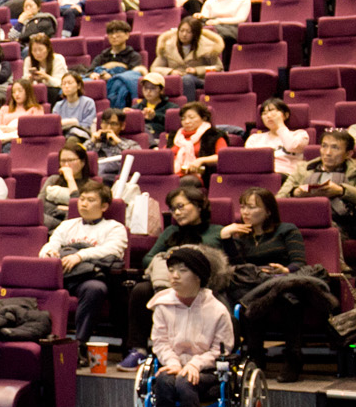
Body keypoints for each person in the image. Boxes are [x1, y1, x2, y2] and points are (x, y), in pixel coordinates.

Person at [142, 246, 237, 407]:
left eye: (182, 271)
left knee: (184, 381)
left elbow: (221, 349)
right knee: (164, 379)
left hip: (207, 371)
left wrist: (195, 364)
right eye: (172, 270)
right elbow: (160, 342)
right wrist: (173, 362)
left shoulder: (217, 310)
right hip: (174, 366)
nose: (174, 276)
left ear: (198, 276)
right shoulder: (162, 305)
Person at [118, 187, 222, 368]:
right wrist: (170, 257)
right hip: (169, 282)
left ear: (199, 205)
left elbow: (224, 265)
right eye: (173, 209)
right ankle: (139, 350)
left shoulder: (216, 232)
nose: (177, 213)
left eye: (181, 206)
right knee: (141, 290)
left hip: (202, 284)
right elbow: (148, 259)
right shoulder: (170, 232)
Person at [221, 187, 309, 380]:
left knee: (288, 298)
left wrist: (286, 270)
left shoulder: (286, 230)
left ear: (268, 211)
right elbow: (238, 268)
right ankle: (255, 355)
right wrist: (226, 237)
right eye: (243, 207)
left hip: (281, 282)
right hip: (253, 284)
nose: (245, 212)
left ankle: (293, 357)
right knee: (248, 296)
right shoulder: (240, 235)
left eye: (252, 207)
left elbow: (299, 262)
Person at [39, 179, 127, 362]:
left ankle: (80, 344)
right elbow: (49, 245)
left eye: (90, 200)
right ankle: (41, 343)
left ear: (104, 206)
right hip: (62, 274)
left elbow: (113, 250)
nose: (84, 203)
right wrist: (51, 253)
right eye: (82, 199)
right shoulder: (67, 225)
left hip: (88, 277)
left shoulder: (115, 227)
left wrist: (80, 256)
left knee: (95, 288)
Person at [281, 129, 356, 268]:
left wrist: (342, 191)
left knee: (331, 226)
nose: (327, 152)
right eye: (324, 146)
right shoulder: (303, 170)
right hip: (301, 222)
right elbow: (279, 199)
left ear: (348, 154)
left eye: (335, 147)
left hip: (339, 223)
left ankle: (338, 269)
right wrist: (295, 193)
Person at [152, 16, 225, 101]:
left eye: (188, 32)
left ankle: (189, 108)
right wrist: (170, 72)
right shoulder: (168, 46)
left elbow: (218, 68)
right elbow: (154, 68)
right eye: (181, 31)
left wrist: (197, 70)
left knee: (187, 79)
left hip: (199, 80)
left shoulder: (208, 47)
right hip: (176, 79)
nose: (184, 34)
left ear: (195, 34)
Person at [246, 97, 311, 175]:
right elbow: (249, 162)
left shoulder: (299, 134)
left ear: (285, 115)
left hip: (288, 176)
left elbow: (291, 146)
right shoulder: (254, 138)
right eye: (264, 113)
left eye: (272, 111)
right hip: (262, 176)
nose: (268, 116)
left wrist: (280, 124)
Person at [39, 143, 96, 230]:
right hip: (50, 222)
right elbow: (40, 205)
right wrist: (65, 209)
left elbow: (78, 211)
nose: (66, 165)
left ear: (83, 162)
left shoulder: (91, 185)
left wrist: (70, 179)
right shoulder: (53, 179)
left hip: (76, 226)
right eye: (63, 161)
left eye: (70, 160)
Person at [89, 20, 145, 109]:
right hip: (102, 86)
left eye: (118, 32)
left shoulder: (134, 56)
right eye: (111, 33)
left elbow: (132, 76)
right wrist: (93, 74)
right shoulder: (102, 56)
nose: (114, 36)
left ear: (127, 35)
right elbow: (90, 71)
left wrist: (111, 76)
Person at [169, 101, 227, 179]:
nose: (186, 122)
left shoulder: (213, 134)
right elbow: (165, 155)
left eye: (191, 118)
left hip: (199, 176)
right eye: (183, 118)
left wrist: (200, 160)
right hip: (173, 175)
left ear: (204, 118)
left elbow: (223, 156)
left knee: (186, 181)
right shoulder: (175, 137)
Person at [87, 108, 141, 179]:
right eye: (105, 123)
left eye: (113, 124)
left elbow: (139, 158)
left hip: (114, 178)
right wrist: (92, 141)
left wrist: (118, 142)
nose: (109, 127)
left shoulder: (129, 143)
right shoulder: (95, 142)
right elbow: (77, 155)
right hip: (94, 176)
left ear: (122, 126)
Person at [0, 78, 42, 148]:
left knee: (10, 146)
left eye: (20, 91)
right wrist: (4, 129)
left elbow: (36, 128)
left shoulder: (35, 109)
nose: (16, 94)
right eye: (14, 92)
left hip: (22, 141)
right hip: (3, 139)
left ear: (27, 92)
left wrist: (14, 129)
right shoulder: (4, 109)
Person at [53, 71, 96, 143]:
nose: (66, 86)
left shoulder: (88, 103)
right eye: (63, 84)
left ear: (78, 85)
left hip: (81, 135)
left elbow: (87, 125)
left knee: (71, 140)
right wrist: (73, 122)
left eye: (69, 83)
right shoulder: (58, 105)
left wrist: (67, 123)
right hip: (63, 135)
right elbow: (55, 126)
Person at [135, 71, 175, 138]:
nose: (148, 91)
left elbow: (173, 123)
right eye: (145, 88)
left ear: (161, 90)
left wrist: (155, 116)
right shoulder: (137, 107)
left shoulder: (171, 108)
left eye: (152, 88)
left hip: (160, 138)